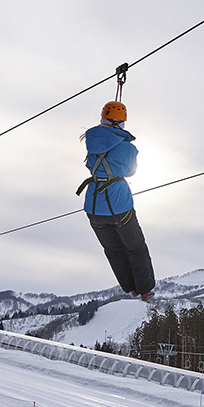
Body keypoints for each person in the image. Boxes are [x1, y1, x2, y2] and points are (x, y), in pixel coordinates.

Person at [77, 101, 156, 299]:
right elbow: (131, 171)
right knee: (136, 247)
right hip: (118, 206)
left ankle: (130, 287)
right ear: (121, 124)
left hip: (93, 207)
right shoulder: (127, 148)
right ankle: (145, 289)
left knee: (113, 250)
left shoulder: (92, 139)